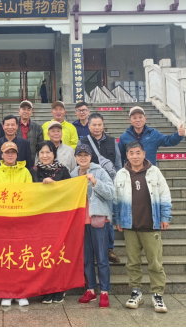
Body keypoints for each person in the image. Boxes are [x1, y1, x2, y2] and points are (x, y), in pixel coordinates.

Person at [114, 141, 172, 314]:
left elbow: (165, 195)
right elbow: (116, 199)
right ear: (127, 155)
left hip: (151, 224)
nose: (135, 156)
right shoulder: (121, 174)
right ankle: (136, 292)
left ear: (144, 154)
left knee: (155, 262)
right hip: (129, 225)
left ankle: (157, 294)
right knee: (133, 262)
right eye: (131, 153)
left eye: (138, 152)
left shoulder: (155, 172)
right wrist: (117, 219)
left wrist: (165, 217)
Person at [0, 141, 32, 308]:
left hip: (21, 222)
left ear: (17, 154)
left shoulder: (25, 172)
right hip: (1, 222)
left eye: (13, 152)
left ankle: (21, 293)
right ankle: (5, 293)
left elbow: (30, 195)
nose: (10, 155)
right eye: (7, 152)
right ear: (2, 155)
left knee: (21, 258)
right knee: (3, 258)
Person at [71, 145, 115, 309]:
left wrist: (95, 182)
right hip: (80, 223)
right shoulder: (72, 175)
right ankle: (90, 289)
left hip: (98, 220)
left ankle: (104, 292)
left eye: (86, 155)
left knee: (102, 258)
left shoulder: (100, 171)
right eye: (79, 155)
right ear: (75, 157)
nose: (83, 158)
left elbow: (111, 192)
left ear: (91, 157)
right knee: (86, 259)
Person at [32, 141, 71, 305]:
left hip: (58, 219)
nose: (45, 155)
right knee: (43, 254)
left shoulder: (63, 170)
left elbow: (70, 191)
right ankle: (46, 289)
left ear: (54, 154)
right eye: (42, 152)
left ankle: (59, 288)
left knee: (57, 254)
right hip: (39, 219)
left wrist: (55, 186)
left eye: (48, 152)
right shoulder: (33, 171)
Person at [79, 113, 121, 264]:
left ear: (103, 125)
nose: (97, 127)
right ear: (88, 126)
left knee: (107, 217)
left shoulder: (111, 141)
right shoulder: (83, 141)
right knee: (92, 218)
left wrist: (116, 181)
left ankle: (108, 249)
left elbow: (118, 162)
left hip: (107, 184)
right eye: (94, 125)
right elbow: (79, 161)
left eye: (99, 125)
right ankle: (94, 249)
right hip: (89, 184)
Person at [119, 106, 185, 167]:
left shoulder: (153, 134)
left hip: (149, 171)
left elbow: (168, 140)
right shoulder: (124, 137)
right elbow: (120, 157)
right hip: (131, 172)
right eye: (134, 118)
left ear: (145, 119)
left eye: (140, 117)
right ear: (130, 120)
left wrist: (178, 135)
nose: (138, 120)